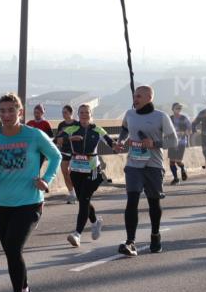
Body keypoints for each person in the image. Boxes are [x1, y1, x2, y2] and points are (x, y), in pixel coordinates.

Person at [0, 93, 60, 292]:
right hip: (1, 203)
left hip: (29, 203)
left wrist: (46, 180)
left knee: (13, 248)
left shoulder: (34, 135)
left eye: (11, 110)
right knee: (11, 252)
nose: (6, 115)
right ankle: (26, 290)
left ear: (20, 112)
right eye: (2, 111)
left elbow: (56, 156)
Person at [113, 85, 178, 256]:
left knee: (153, 203)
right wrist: (121, 141)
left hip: (153, 165)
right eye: (134, 96)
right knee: (132, 200)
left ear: (149, 98)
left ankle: (155, 236)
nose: (135, 99)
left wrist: (154, 143)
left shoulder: (161, 116)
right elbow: (125, 129)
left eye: (139, 96)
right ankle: (130, 242)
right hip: (133, 164)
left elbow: (174, 141)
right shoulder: (129, 114)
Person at [60, 104, 115, 247]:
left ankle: (77, 234)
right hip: (76, 171)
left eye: (87, 112)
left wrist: (116, 146)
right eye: (82, 112)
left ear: (91, 114)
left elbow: (110, 142)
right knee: (83, 200)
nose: (84, 115)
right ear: (78, 115)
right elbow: (57, 140)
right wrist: (69, 139)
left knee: (84, 199)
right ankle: (95, 222)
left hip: (93, 171)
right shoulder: (71, 129)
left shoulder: (97, 129)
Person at [55, 105, 80, 203]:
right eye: (63, 112)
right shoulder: (61, 125)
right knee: (65, 173)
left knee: (74, 174)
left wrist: (69, 139)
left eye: (65, 112)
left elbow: (80, 138)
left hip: (75, 152)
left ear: (71, 113)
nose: (63, 114)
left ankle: (78, 193)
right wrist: (66, 139)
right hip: (64, 151)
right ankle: (72, 194)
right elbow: (58, 139)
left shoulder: (77, 124)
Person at [168, 102, 192, 185]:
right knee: (171, 161)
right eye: (177, 108)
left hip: (181, 142)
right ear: (173, 109)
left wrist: (184, 133)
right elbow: (164, 129)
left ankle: (183, 168)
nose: (179, 110)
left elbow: (190, 129)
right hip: (172, 142)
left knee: (178, 161)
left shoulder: (184, 118)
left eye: (180, 108)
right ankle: (176, 179)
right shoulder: (169, 118)